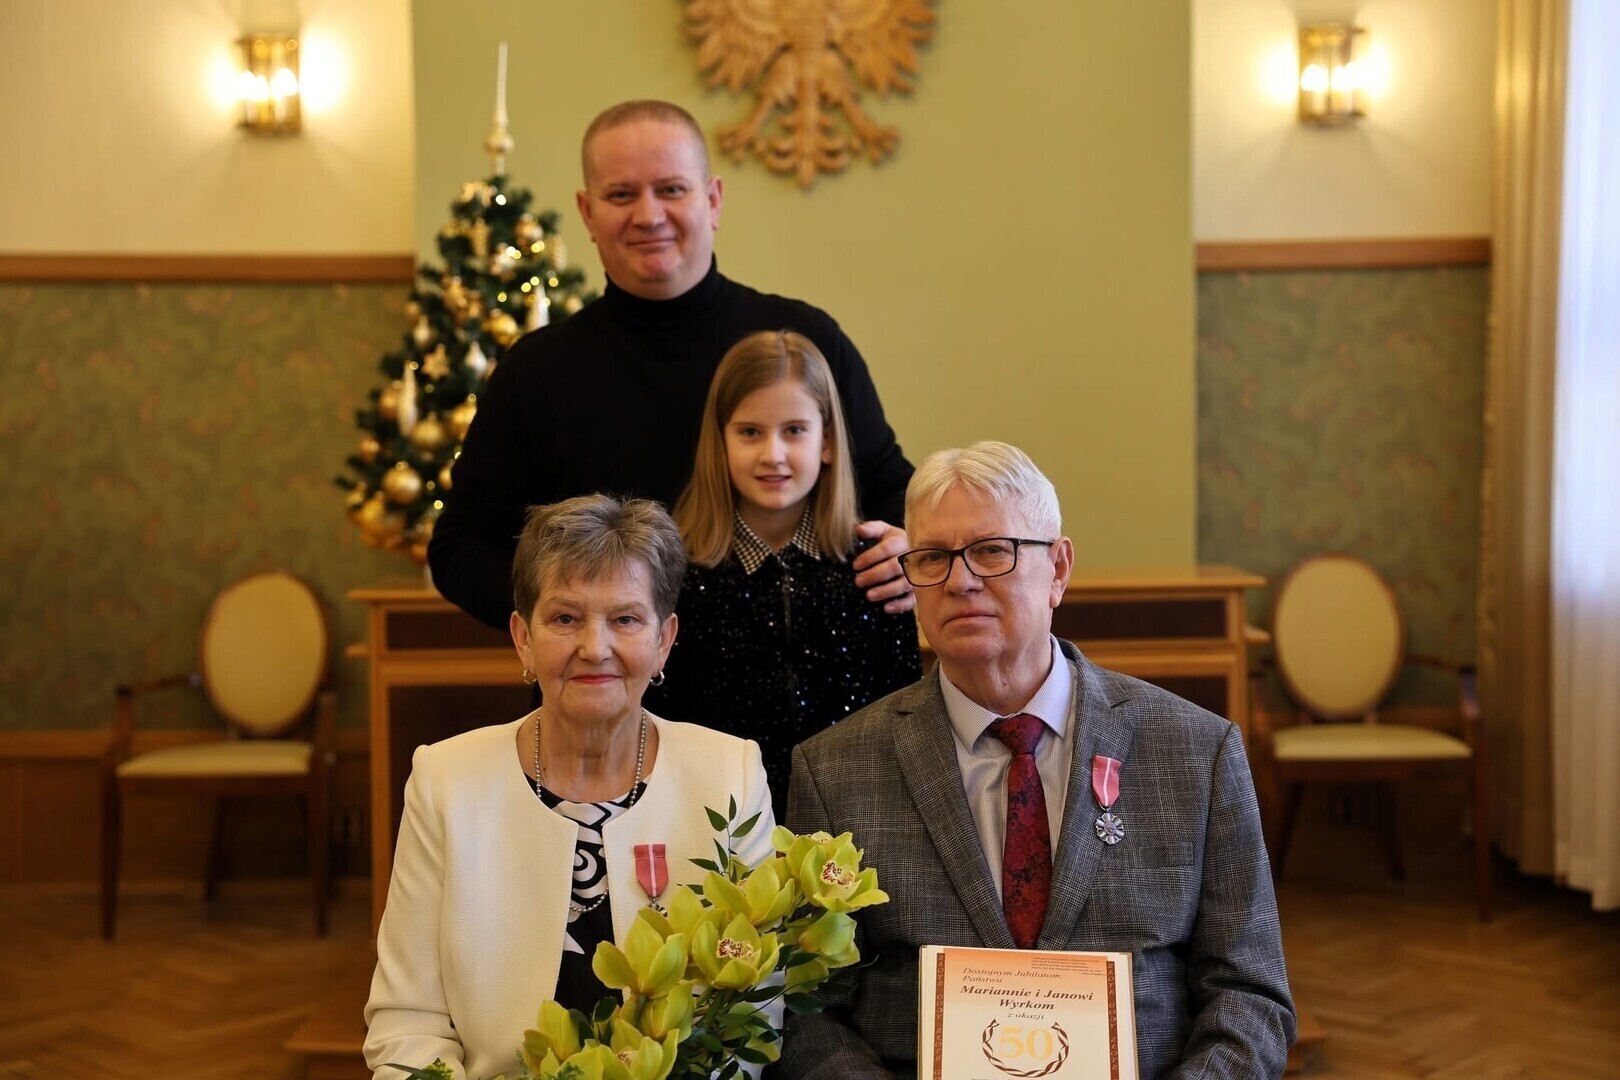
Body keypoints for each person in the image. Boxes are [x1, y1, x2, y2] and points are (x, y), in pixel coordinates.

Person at [777, 442, 1296, 1079]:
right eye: (933, 557)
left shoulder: (1195, 753)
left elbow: (1250, 993)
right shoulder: (835, 770)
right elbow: (805, 1009)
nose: (960, 581)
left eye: (993, 550)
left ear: (1058, 568)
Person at [428, 99, 914, 631]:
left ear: (713, 200)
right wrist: (564, 613)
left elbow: (892, 488)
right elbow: (459, 545)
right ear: (587, 213)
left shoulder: (804, 342)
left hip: (805, 670)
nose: (648, 215)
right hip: (602, 673)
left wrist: (910, 548)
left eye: (671, 189)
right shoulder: (534, 371)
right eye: (621, 194)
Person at [365, 495, 775, 1080]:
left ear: (664, 640)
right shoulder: (445, 782)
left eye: (626, 619)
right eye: (565, 619)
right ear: (523, 638)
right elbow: (407, 1023)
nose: (595, 648)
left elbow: (755, 1009)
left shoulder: (730, 775)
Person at [645, 330, 920, 819]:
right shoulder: (678, 575)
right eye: (750, 432)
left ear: (827, 441)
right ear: (720, 442)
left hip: (857, 824)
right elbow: (661, 725)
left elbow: (905, 716)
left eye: (794, 430)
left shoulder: (874, 569)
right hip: (715, 825)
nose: (772, 454)